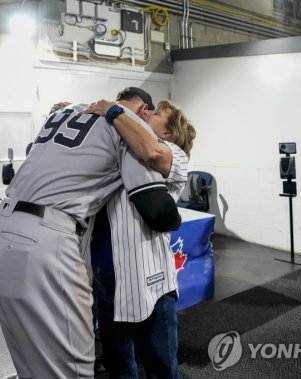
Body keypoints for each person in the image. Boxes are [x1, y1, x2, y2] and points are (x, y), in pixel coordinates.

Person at [0, 87, 181, 379]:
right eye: (153, 113)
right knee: (74, 371)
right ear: (143, 111)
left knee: (32, 365)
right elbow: (158, 209)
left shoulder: (67, 110)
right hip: (42, 241)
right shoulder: (126, 126)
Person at [84, 98, 195, 378]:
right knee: (118, 367)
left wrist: (113, 109)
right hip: (106, 279)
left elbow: (153, 153)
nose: (147, 112)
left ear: (167, 132)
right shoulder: (122, 144)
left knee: (162, 370)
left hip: (147, 281)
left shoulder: (171, 151)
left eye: (156, 113)